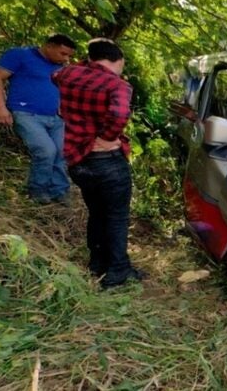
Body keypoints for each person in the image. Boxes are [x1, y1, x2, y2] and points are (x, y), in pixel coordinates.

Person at [52, 38, 145, 288]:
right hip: (107, 162)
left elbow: (57, 76)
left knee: (97, 212)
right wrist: (107, 137)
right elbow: (119, 114)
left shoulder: (67, 73)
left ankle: (97, 263)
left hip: (77, 161)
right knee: (116, 217)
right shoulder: (119, 86)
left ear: (90, 59)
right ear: (119, 60)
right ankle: (117, 273)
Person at [0, 34, 76, 204]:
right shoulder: (21, 55)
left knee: (61, 152)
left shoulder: (61, 67)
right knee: (46, 151)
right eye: (63, 53)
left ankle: (59, 191)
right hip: (27, 114)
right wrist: (0, 106)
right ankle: (38, 191)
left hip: (57, 117)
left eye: (69, 56)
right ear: (49, 46)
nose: (66, 59)